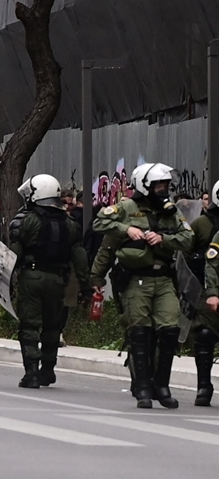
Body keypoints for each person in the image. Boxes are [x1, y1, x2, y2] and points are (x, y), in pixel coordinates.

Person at [92, 162, 195, 410]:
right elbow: (99, 223)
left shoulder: (171, 211)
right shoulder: (127, 207)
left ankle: (162, 384)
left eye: (166, 185)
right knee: (140, 332)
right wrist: (127, 228)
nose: (163, 189)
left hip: (163, 279)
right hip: (136, 280)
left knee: (170, 329)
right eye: (158, 185)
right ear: (145, 185)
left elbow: (187, 238)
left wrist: (164, 239)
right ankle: (142, 386)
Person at [5, 174, 87, 389]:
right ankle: (48, 370)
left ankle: (31, 372)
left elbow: (14, 253)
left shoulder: (25, 220)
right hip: (58, 279)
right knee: (53, 325)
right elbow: (79, 256)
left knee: (30, 325)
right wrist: (86, 286)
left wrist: (7, 279)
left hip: (32, 277)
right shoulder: (70, 223)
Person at [189, 183, 219, 406]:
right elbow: (211, 263)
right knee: (205, 335)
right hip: (210, 290)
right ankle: (203, 385)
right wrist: (212, 293)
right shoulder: (202, 224)